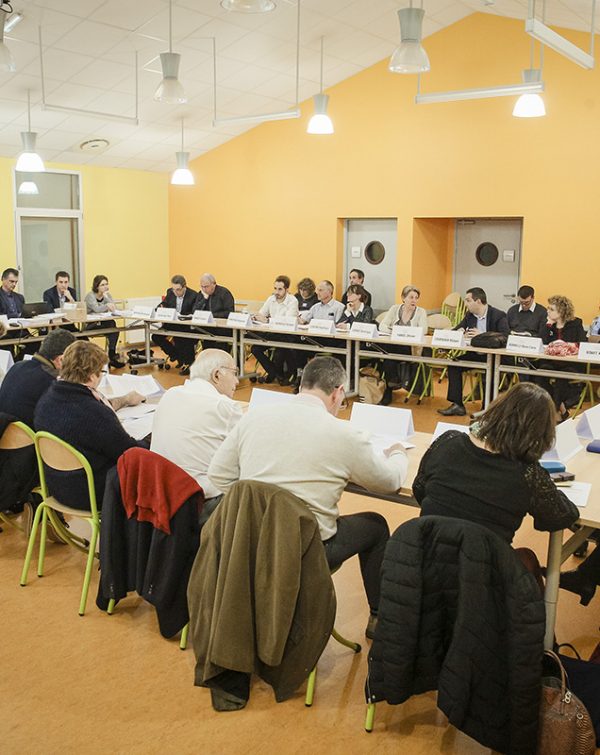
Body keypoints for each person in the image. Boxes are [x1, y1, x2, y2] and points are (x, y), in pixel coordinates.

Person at [208, 356, 408, 638]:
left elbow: (218, 474)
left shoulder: (254, 417)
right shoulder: (344, 434)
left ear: (302, 385)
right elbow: (389, 482)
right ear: (338, 392)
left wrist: (255, 505)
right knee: (375, 525)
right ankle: (378, 618)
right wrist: (398, 454)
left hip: (253, 539)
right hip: (308, 546)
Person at [415, 382, 579, 545]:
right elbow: (560, 516)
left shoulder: (447, 442)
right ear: (541, 433)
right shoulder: (527, 473)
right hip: (483, 558)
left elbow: (419, 488)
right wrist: (548, 486)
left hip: (423, 551)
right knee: (527, 556)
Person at [34, 341, 145, 510]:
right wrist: (151, 441)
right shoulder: (93, 412)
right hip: (91, 493)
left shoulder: (46, 399)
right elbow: (128, 452)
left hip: (56, 486)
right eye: (101, 372)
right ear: (92, 376)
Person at [151, 349, 243, 524]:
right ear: (217, 375)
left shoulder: (170, 394)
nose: (237, 381)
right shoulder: (224, 406)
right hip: (201, 503)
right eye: (234, 373)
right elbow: (248, 453)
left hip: (163, 497)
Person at [438, 287, 509, 416]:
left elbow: (506, 337)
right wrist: (460, 332)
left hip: (495, 357)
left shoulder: (498, 315)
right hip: (475, 355)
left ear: (478, 301)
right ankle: (457, 405)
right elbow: (456, 330)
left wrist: (483, 335)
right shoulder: (469, 316)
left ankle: (487, 408)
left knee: (491, 371)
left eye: (468, 300)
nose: (465, 304)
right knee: (454, 365)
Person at [539, 294, 587, 419]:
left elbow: (582, 343)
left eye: (551, 309)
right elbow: (542, 342)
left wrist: (568, 345)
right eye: (548, 308)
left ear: (561, 312)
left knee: (561, 379)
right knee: (539, 374)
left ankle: (553, 412)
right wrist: (548, 326)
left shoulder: (576, 323)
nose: (547, 311)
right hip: (552, 363)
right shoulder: (548, 324)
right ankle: (561, 408)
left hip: (570, 363)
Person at [378, 285, 428, 402]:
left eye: (416, 298)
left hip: (410, 348)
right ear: (403, 298)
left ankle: (390, 387)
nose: (414, 300)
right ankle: (392, 383)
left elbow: (424, 330)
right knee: (388, 355)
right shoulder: (394, 309)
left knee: (387, 354)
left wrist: (404, 332)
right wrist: (393, 331)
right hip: (393, 345)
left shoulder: (421, 312)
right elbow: (382, 326)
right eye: (411, 297)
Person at [250, 275, 299, 384]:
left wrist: (268, 320)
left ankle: (276, 374)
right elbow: (262, 313)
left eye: (280, 289)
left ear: (287, 289)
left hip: (287, 335)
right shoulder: (271, 299)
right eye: (275, 288)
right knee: (255, 348)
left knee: (279, 351)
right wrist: (256, 317)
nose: (276, 292)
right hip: (272, 333)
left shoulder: (293, 301)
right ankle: (274, 373)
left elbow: (287, 321)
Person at [151, 274, 198, 375]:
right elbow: (164, 304)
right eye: (174, 289)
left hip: (185, 325)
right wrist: (160, 308)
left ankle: (189, 364)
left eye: (178, 290)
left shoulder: (193, 295)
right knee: (156, 336)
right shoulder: (170, 292)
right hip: (172, 324)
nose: (176, 292)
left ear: (184, 287)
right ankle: (176, 355)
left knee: (182, 337)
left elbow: (194, 312)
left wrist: (182, 315)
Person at [192, 273, 236, 364]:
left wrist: (212, 316)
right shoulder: (202, 294)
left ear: (214, 284)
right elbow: (195, 311)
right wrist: (204, 299)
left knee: (219, 347)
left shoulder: (224, 293)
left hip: (223, 329)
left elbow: (230, 312)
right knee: (188, 336)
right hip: (207, 328)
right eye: (202, 286)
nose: (204, 289)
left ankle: (222, 365)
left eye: (206, 286)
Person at [84, 275, 125, 369]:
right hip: (91, 324)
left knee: (114, 327)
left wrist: (107, 297)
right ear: (96, 286)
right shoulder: (90, 296)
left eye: (106, 284)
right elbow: (97, 309)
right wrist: (107, 305)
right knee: (112, 326)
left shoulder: (107, 295)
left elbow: (114, 308)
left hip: (103, 322)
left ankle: (112, 355)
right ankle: (106, 357)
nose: (105, 287)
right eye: (102, 285)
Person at [0, 267, 34, 359]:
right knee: (6, 346)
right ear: (3, 279)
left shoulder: (19, 297)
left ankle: (20, 362)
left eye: (16, 282)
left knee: (34, 342)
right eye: (11, 281)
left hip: (19, 329)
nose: (14, 284)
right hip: (4, 331)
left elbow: (24, 313)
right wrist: (16, 315)